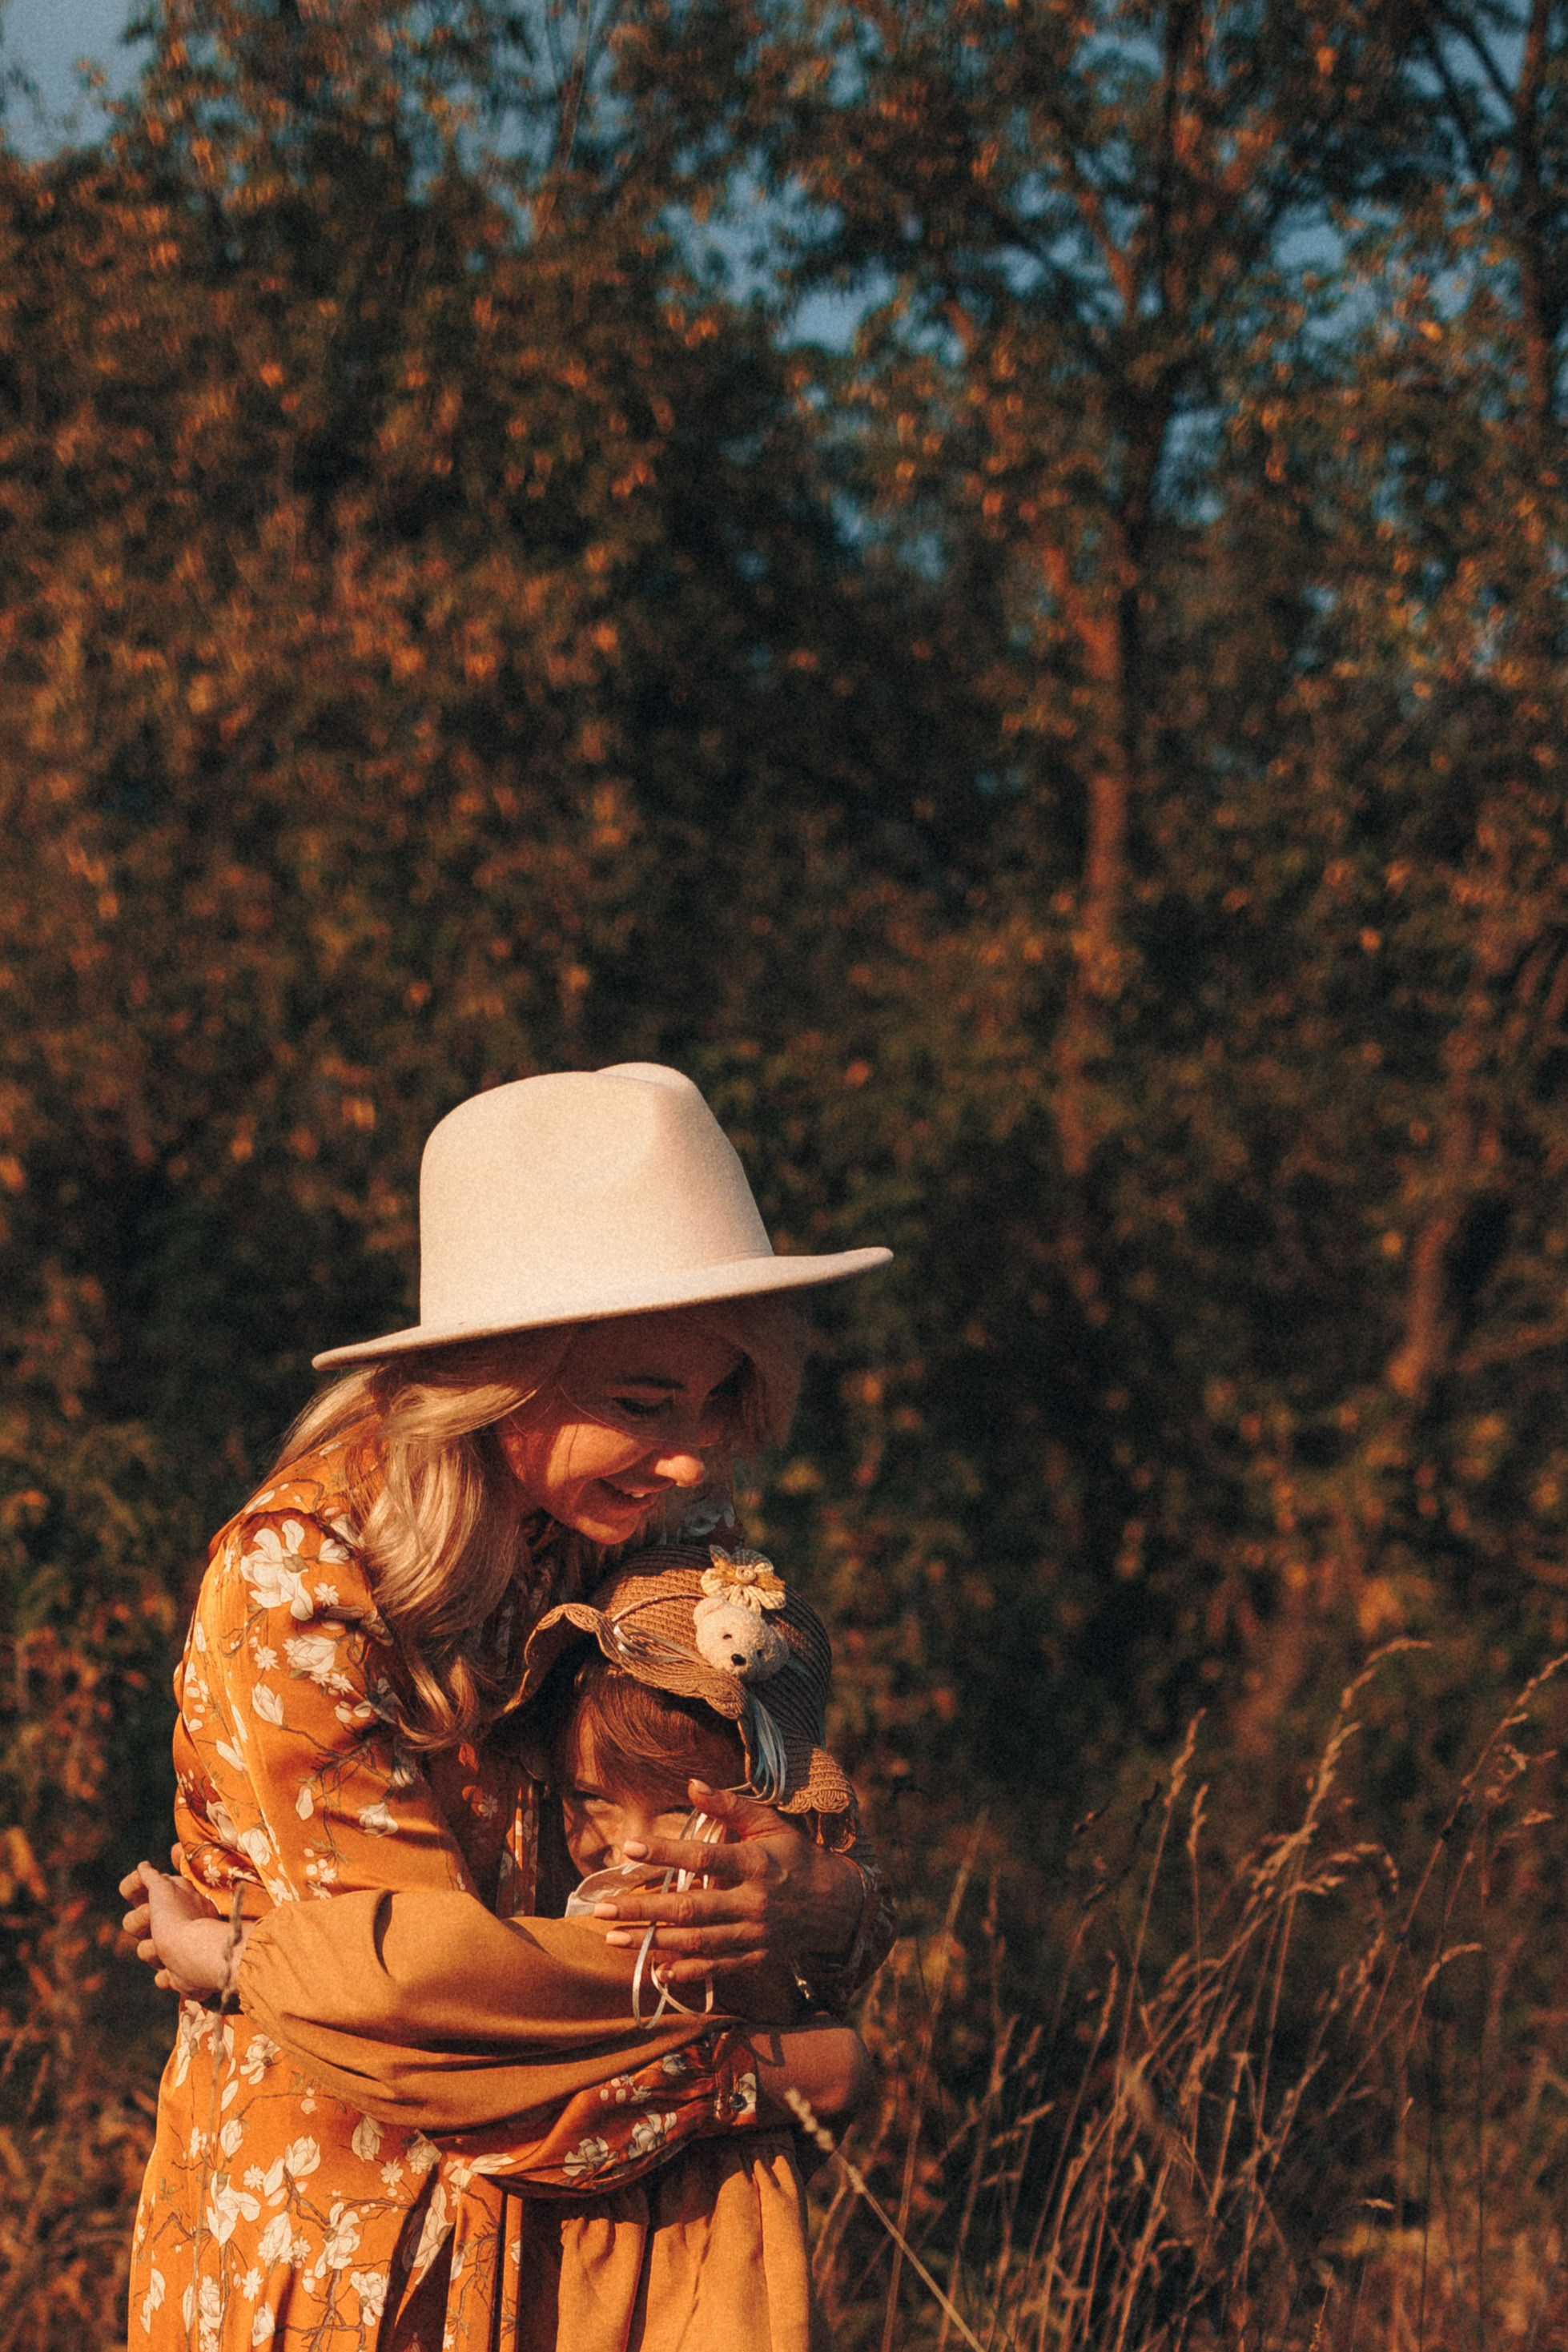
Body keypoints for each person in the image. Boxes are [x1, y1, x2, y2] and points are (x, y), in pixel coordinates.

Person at [119, 1063, 895, 2351]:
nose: (692, 1453)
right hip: (342, 2243)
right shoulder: (299, 1579)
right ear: (491, 1375)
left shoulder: (639, 1544)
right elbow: (417, 2010)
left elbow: (784, 1842)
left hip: (585, 2256)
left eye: (716, 1396)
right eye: (641, 1402)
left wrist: (819, 1898)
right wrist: (785, 2071)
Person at [131, 1546, 865, 2350]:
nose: (625, 1844)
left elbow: (445, 1993)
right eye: (589, 1797)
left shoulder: (695, 1932)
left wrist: (224, 1953)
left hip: (683, 2284)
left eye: (670, 1809)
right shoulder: (745, 1914)